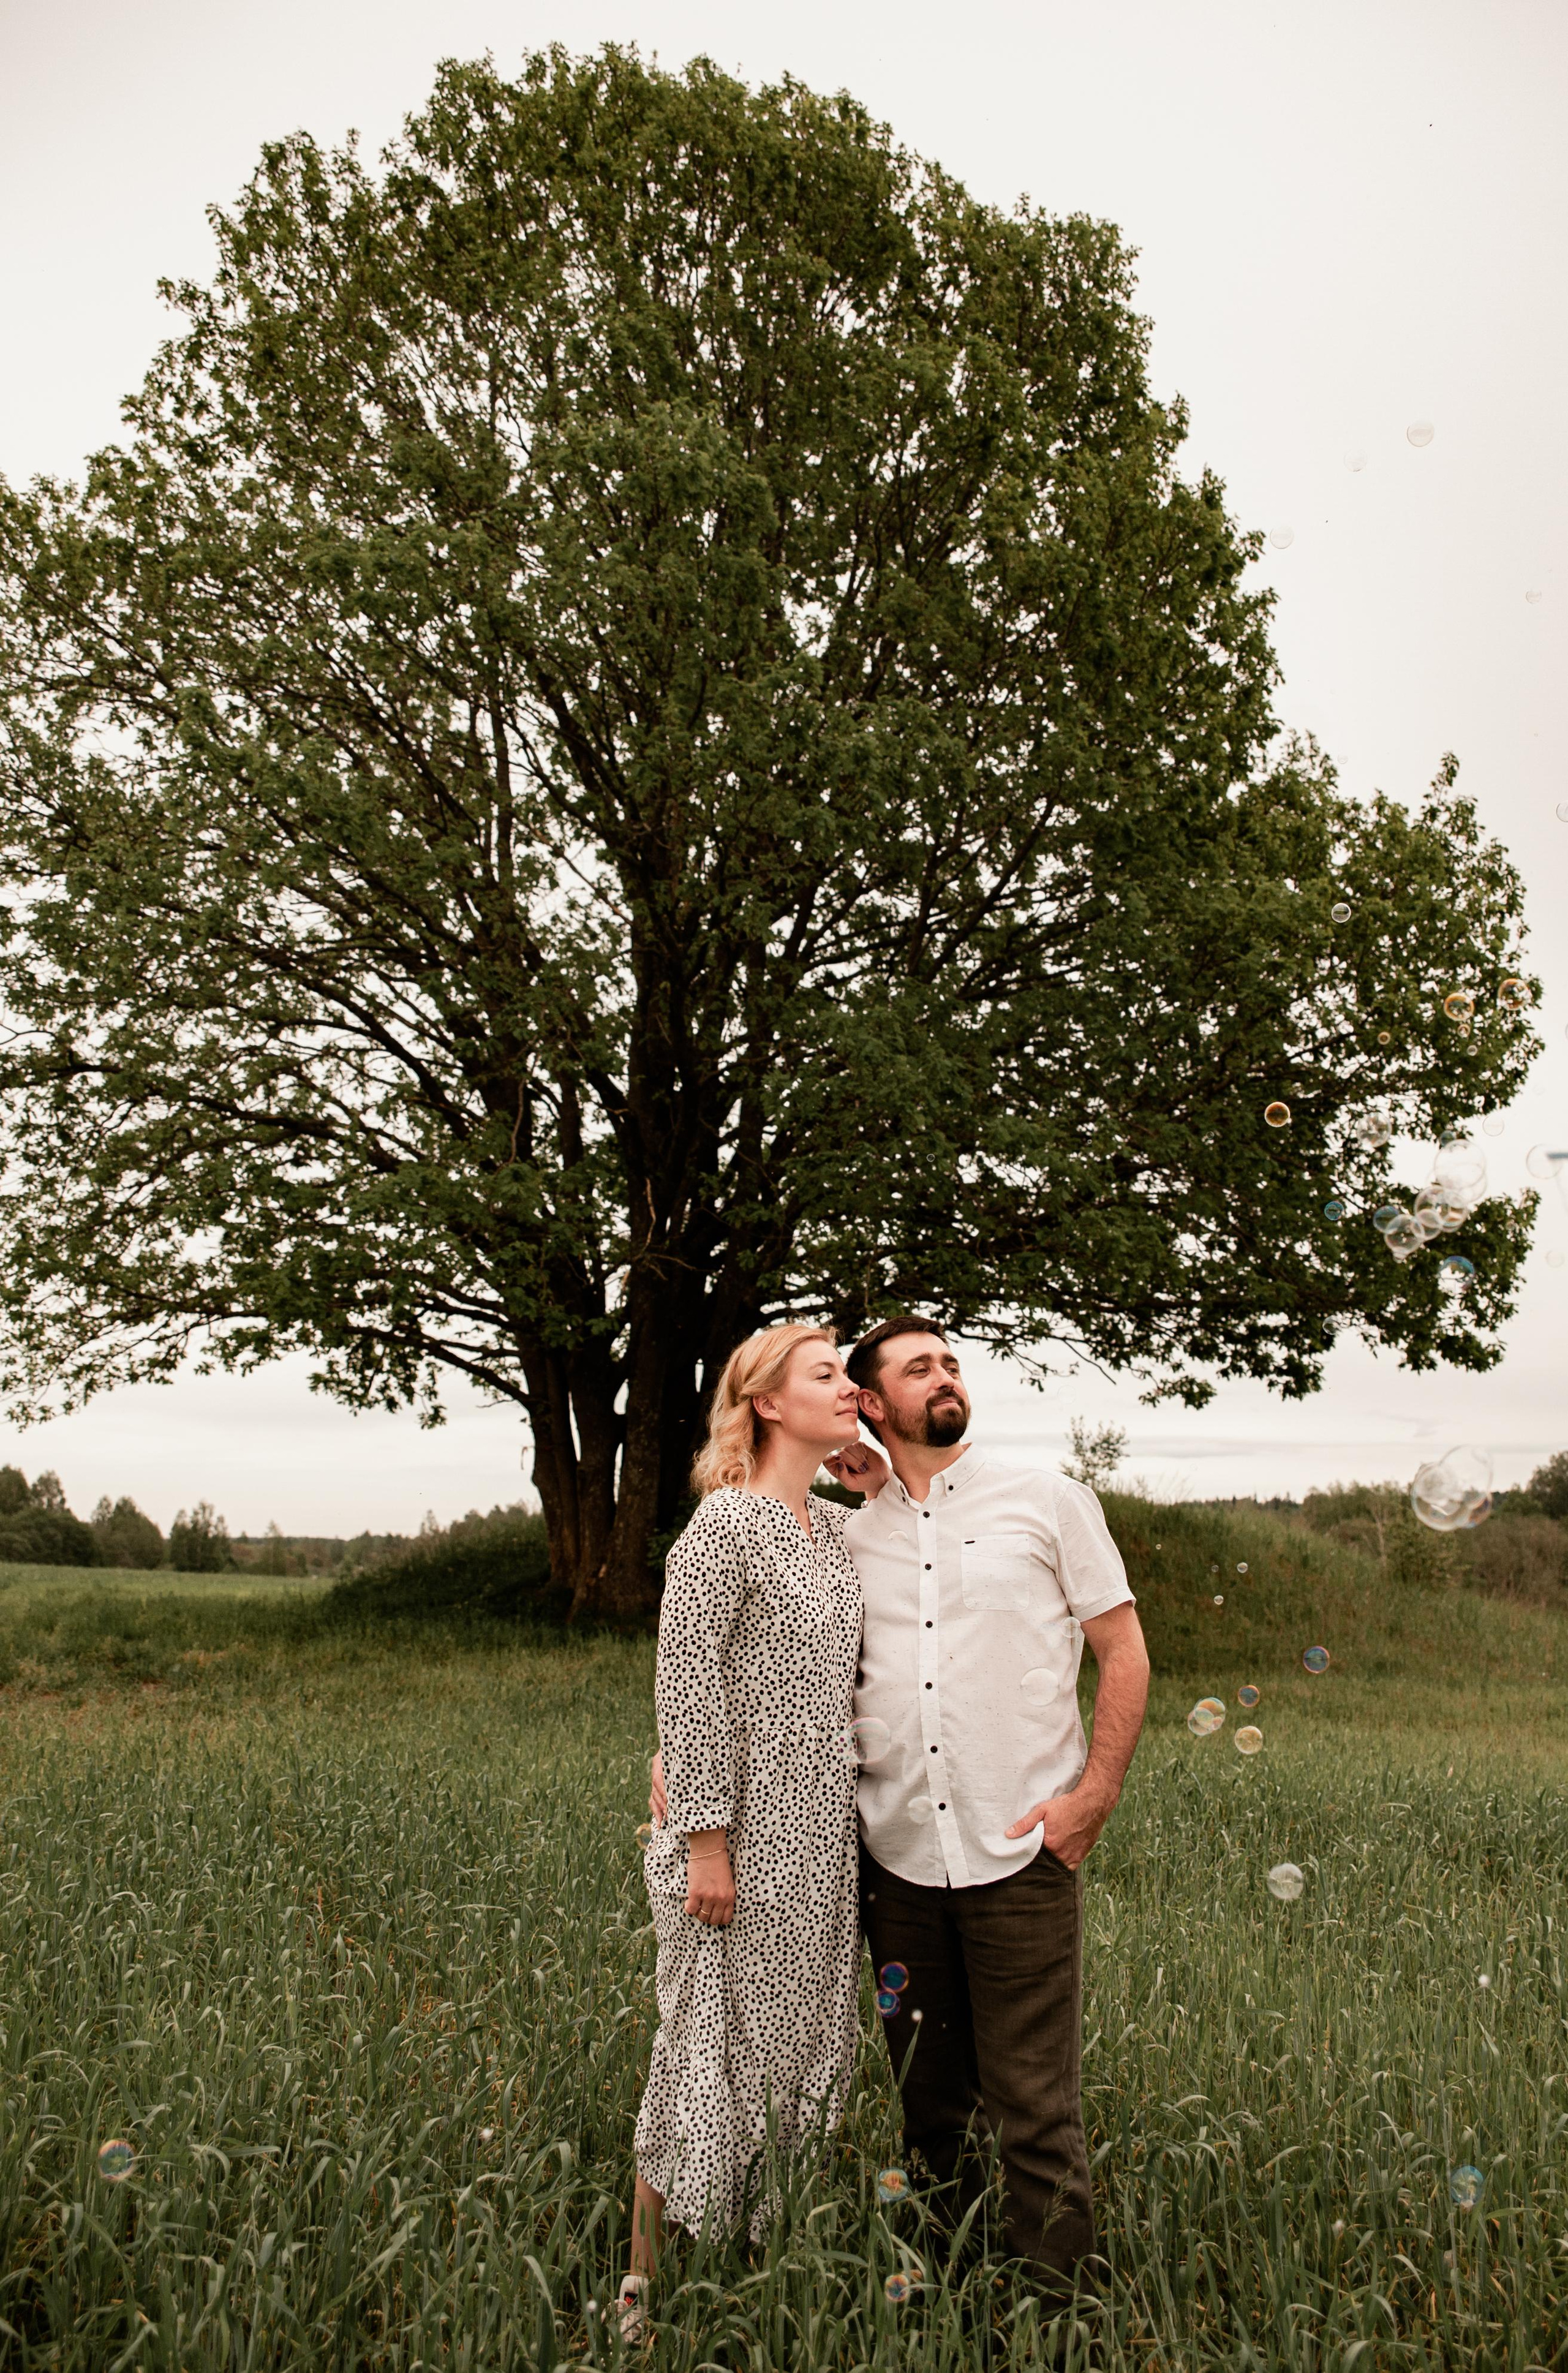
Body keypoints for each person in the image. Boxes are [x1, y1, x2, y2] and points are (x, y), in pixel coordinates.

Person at [650, 1314, 1149, 2289]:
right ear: (873, 1405)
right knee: (931, 2110)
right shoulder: (847, 1530)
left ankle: (1055, 2317)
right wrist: (678, 1760)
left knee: (1037, 2112)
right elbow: (724, 1655)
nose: (946, 1376)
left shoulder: (1046, 1500)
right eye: (918, 1367)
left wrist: (1094, 1794)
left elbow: (1122, 1649)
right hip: (894, 1864)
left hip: (1019, 1854)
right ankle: (958, 2303)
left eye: (953, 1362)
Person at [618, 1322, 871, 2339]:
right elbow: (686, 1685)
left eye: (852, 1373)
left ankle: (757, 2276)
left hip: (824, 1837)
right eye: (827, 1374)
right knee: (700, 2050)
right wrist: (707, 1841)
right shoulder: (724, 1527)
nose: (850, 1386)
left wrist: (876, 1465)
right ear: (767, 1401)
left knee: (798, 2057)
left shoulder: (839, 1531)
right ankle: (640, 2289)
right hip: (735, 1837)